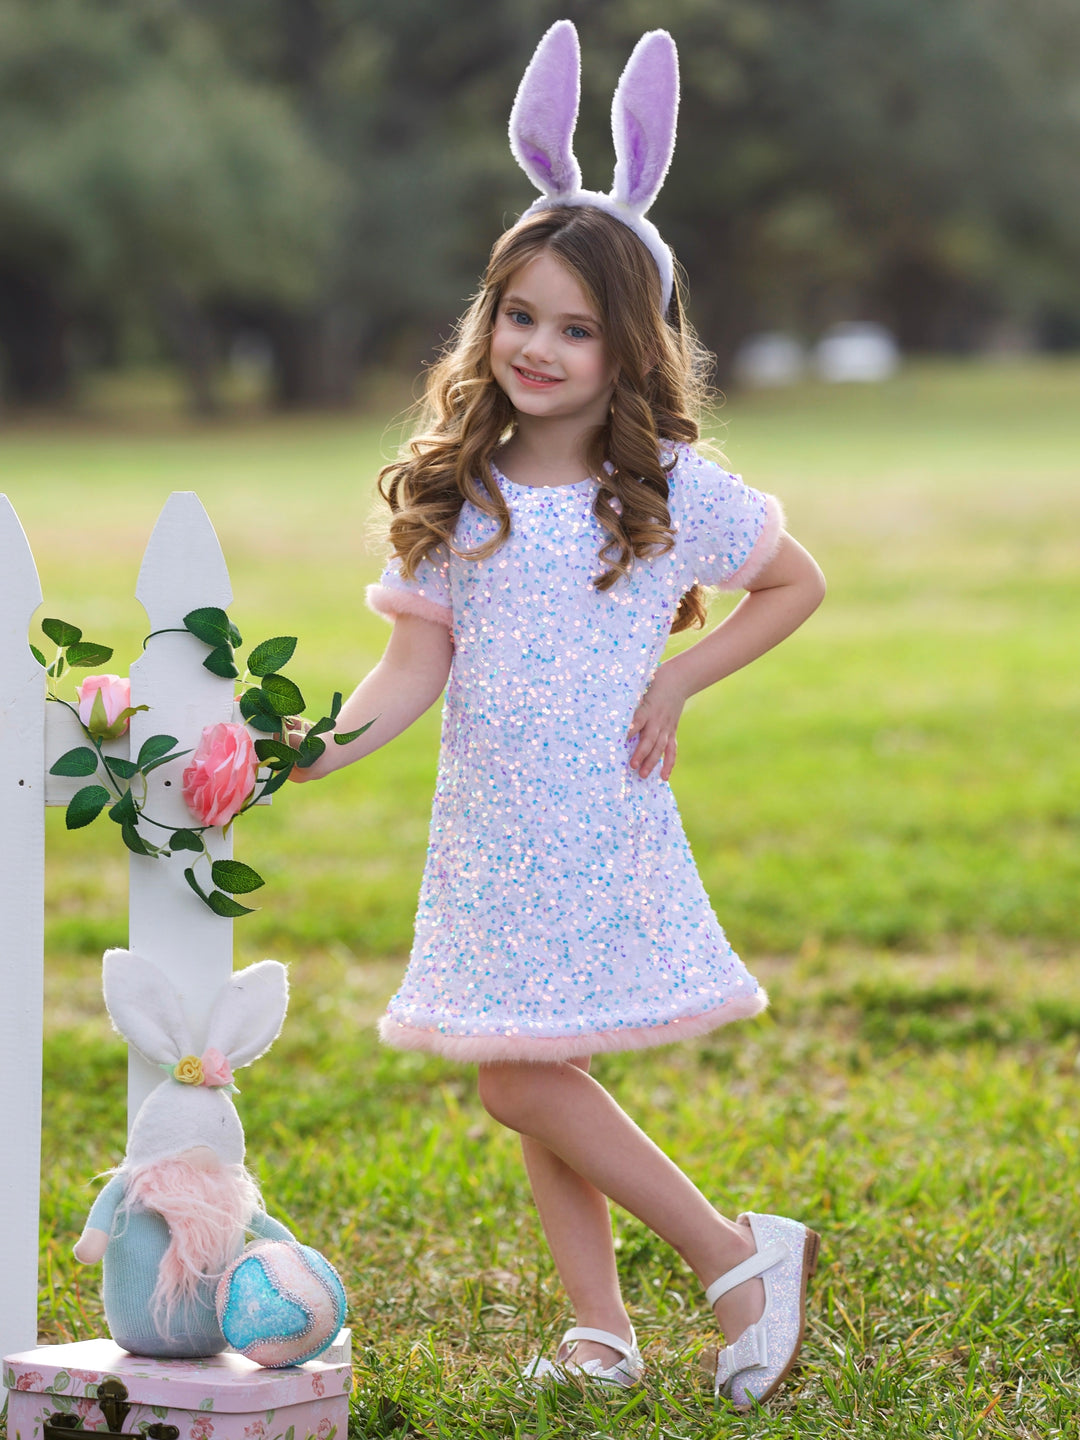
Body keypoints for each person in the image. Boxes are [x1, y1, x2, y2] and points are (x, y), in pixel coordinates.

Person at [288, 21, 826, 1410]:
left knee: (520, 1077)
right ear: (488, 318)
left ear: (629, 348)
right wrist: (312, 751)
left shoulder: (670, 488)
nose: (538, 345)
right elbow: (410, 671)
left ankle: (735, 1256)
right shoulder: (457, 492)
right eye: (519, 314)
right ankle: (601, 1331)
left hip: (594, 814)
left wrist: (678, 678)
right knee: (537, 1061)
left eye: (577, 328)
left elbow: (795, 582)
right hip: (490, 828)